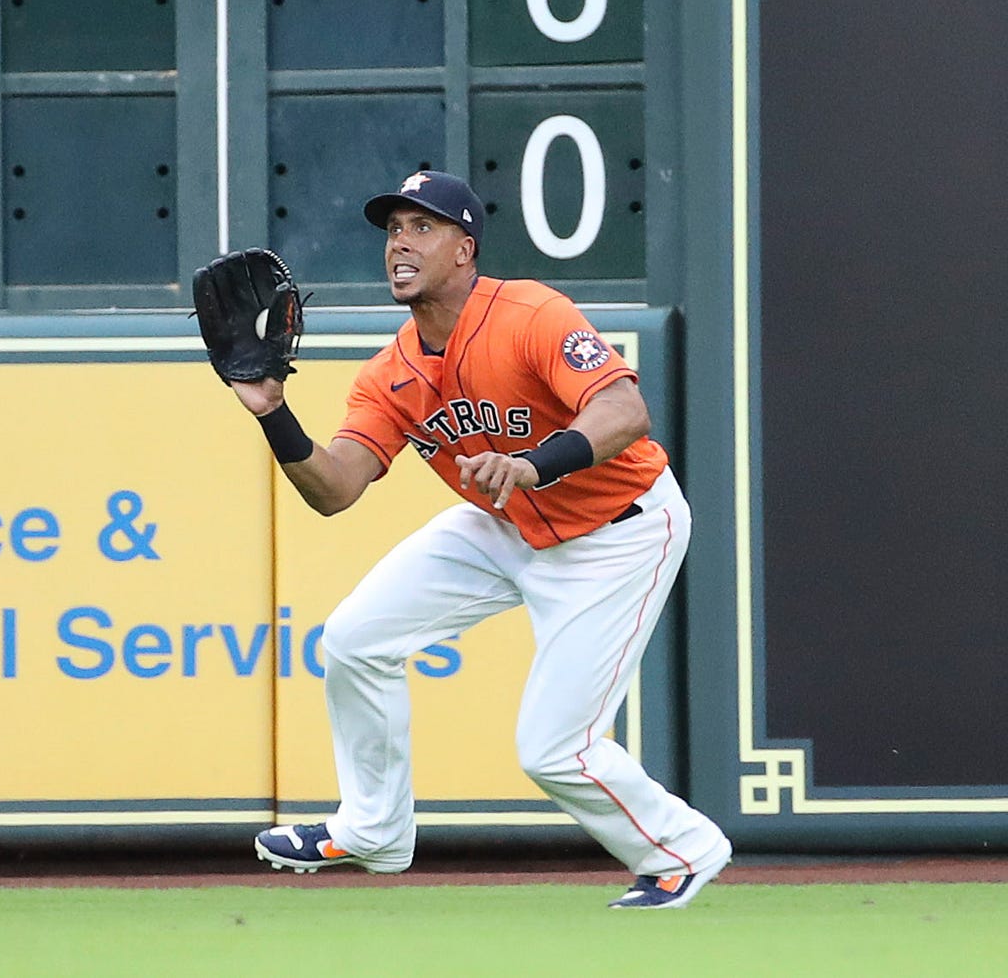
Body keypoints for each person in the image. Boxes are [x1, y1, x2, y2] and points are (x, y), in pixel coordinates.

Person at [238, 170, 732, 909]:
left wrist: (533, 463)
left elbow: (625, 408)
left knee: (554, 748)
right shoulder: (390, 373)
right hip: (504, 524)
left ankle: (683, 850)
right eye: (393, 230)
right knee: (353, 637)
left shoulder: (529, 312)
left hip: (618, 528)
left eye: (422, 227)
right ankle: (373, 827)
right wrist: (273, 412)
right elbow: (336, 488)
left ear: (465, 248)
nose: (400, 242)